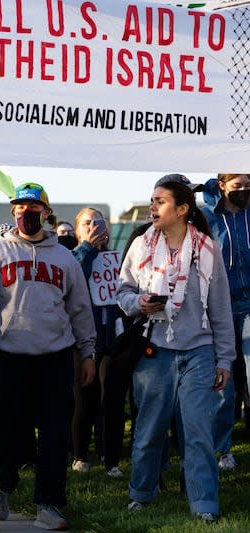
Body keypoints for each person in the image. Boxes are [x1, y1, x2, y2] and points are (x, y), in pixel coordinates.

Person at [0, 182, 97, 531]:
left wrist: (88, 352)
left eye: (32, 208)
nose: (25, 213)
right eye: (19, 208)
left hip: (55, 356)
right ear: (13, 213)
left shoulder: (64, 257)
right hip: (7, 355)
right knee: (9, 430)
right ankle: (2, 483)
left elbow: (80, 308)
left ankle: (48, 504)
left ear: (46, 213)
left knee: (55, 433)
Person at [118, 179, 235, 521]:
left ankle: (204, 505)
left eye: (160, 201)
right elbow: (122, 293)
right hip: (155, 351)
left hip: (199, 351)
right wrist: (139, 303)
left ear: (183, 209)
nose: (152, 207)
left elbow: (221, 311)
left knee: (198, 432)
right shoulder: (141, 245)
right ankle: (141, 493)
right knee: (149, 430)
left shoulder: (208, 249)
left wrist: (225, 359)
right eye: (151, 200)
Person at [70, 208, 127, 477]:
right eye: (87, 223)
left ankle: (111, 457)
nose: (94, 227)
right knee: (84, 399)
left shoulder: (119, 259)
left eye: (99, 222)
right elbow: (71, 280)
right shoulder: (72, 257)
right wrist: (88, 249)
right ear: (78, 229)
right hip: (83, 338)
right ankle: (81, 454)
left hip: (112, 336)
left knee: (111, 398)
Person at [202, 172, 250, 472]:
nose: (244, 190)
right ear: (222, 186)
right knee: (223, 380)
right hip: (219, 306)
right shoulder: (207, 217)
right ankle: (223, 451)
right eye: (237, 186)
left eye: (248, 184)